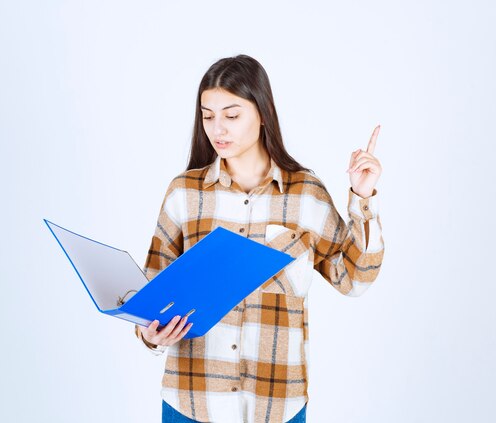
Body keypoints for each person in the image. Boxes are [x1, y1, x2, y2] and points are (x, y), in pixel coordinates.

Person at [135, 54, 385, 423]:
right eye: (208, 115)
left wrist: (362, 199)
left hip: (276, 404)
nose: (218, 128)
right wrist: (152, 334)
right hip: (190, 401)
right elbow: (151, 294)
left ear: (263, 113)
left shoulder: (306, 194)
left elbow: (354, 279)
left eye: (231, 115)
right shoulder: (184, 194)